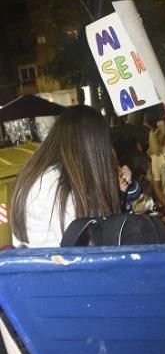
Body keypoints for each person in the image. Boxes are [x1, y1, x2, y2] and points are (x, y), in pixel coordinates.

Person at [11, 105, 121, 248]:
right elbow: (86, 249)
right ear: (92, 146)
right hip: (55, 267)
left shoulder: (49, 174)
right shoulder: (53, 182)